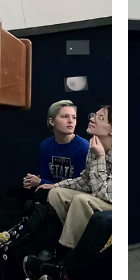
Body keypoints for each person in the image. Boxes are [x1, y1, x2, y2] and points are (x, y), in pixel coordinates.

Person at [47, 105, 112, 252]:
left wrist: (101, 158)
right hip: (100, 194)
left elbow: (102, 193)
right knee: (56, 194)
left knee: (81, 200)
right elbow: (85, 180)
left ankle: (68, 253)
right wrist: (55, 186)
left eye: (101, 118)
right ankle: (57, 242)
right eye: (94, 115)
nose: (92, 119)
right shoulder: (95, 146)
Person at [23, 100, 90, 194]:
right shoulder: (45, 145)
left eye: (74, 117)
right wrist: (35, 181)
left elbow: (80, 184)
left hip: (75, 194)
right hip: (52, 192)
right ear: (52, 121)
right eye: (65, 116)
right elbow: (46, 177)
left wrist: (41, 182)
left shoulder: (83, 147)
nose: (71, 121)